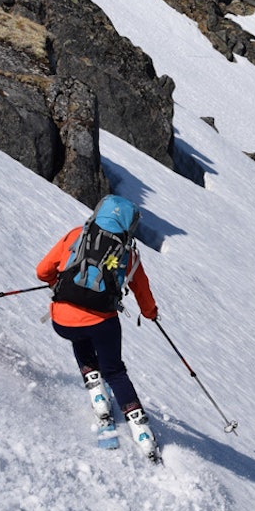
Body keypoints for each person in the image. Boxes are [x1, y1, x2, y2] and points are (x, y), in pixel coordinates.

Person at [36, 195, 159, 457]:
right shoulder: (128, 252)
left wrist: (59, 285)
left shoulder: (76, 235)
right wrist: (151, 313)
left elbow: (42, 271)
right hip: (102, 323)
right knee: (114, 371)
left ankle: (97, 394)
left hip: (63, 320)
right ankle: (141, 431)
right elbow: (143, 292)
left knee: (79, 336)